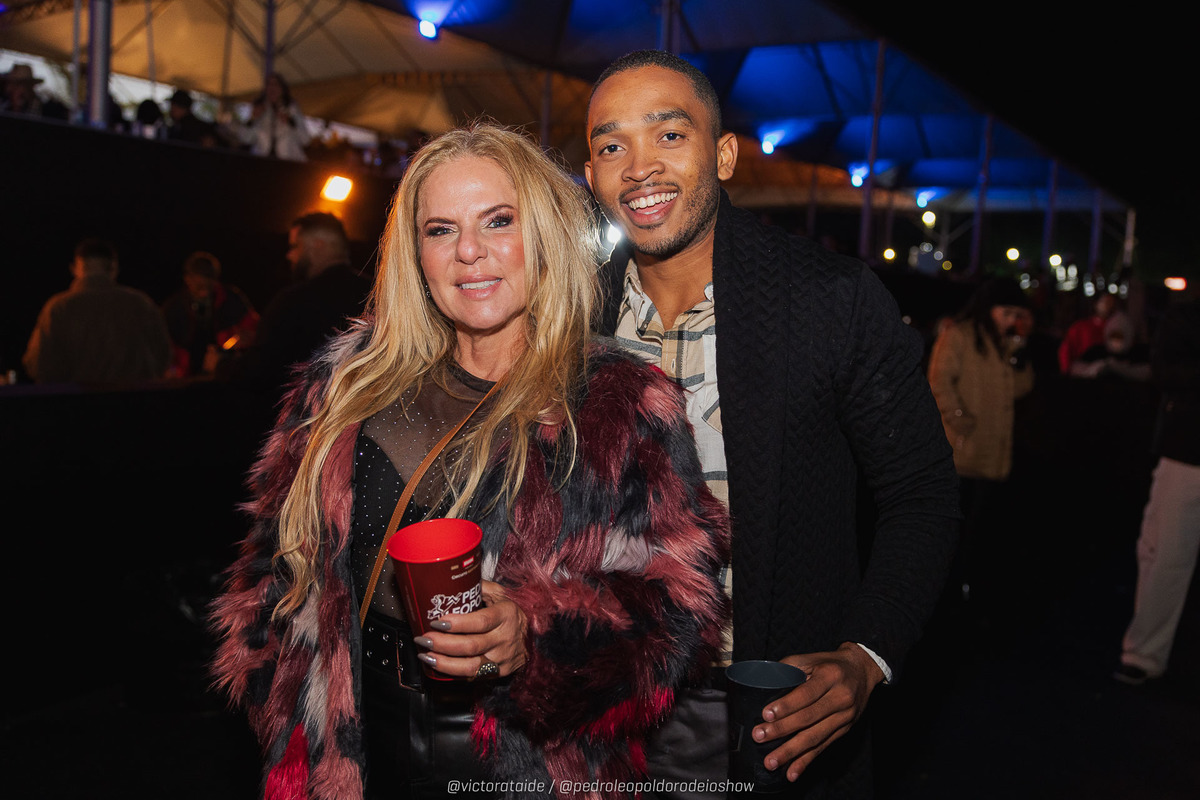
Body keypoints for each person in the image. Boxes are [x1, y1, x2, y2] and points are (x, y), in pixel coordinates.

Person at [209, 123, 730, 800]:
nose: (469, 252)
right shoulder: (346, 386)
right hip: (355, 740)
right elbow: (268, 568)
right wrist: (283, 709)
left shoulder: (620, 403)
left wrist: (537, 638)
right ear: (415, 253)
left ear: (542, 233)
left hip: (526, 759)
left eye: (498, 221)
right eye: (441, 230)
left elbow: (683, 610)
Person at [584, 50, 960, 798]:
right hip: (599, 716)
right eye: (612, 146)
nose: (640, 167)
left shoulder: (827, 301)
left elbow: (921, 495)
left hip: (764, 724)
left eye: (669, 135)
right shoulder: (571, 317)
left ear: (724, 156)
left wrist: (866, 655)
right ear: (591, 176)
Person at [927, 277, 1035, 604]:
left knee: (980, 529)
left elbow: (1021, 388)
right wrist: (960, 420)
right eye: (1006, 312)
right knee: (952, 529)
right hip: (961, 453)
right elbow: (938, 382)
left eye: (1016, 314)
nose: (1010, 320)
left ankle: (968, 585)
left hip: (992, 452)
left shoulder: (1004, 343)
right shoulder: (958, 336)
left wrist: (1018, 354)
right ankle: (944, 588)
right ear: (989, 308)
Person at [1113, 286, 1200, 686]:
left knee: (1164, 552)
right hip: (1187, 450)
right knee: (1163, 552)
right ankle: (1145, 654)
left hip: (1185, 449)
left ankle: (1145, 654)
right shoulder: (1186, 316)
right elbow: (1164, 370)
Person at [217, 211, 372, 399]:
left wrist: (221, 365)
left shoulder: (293, 301)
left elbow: (259, 373)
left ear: (317, 245)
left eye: (295, 246)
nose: (289, 255)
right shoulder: (378, 294)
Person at [22, 238, 172, 385]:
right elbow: (163, 354)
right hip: (133, 396)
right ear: (114, 269)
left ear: (74, 269)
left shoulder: (58, 307)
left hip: (76, 397)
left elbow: (38, 364)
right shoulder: (141, 304)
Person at [161, 250, 259, 378]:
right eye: (199, 287)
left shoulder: (231, 300)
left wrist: (242, 342)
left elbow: (254, 329)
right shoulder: (173, 309)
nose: (204, 294)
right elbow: (163, 346)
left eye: (208, 286)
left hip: (224, 374)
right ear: (187, 279)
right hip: (184, 377)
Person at [232, 72, 311, 161]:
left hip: (288, 162)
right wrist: (252, 119)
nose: (272, 88)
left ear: (282, 89)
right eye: (269, 84)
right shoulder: (260, 109)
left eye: (275, 84)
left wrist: (290, 121)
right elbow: (245, 139)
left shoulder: (292, 109)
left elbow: (305, 140)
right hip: (263, 163)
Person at [1059, 292, 1118, 374]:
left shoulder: (1117, 329)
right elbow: (1066, 349)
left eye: (1112, 303)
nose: (1109, 306)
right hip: (1084, 369)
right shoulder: (1080, 326)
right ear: (1096, 304)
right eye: (1106, 302)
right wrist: (1066, 371)